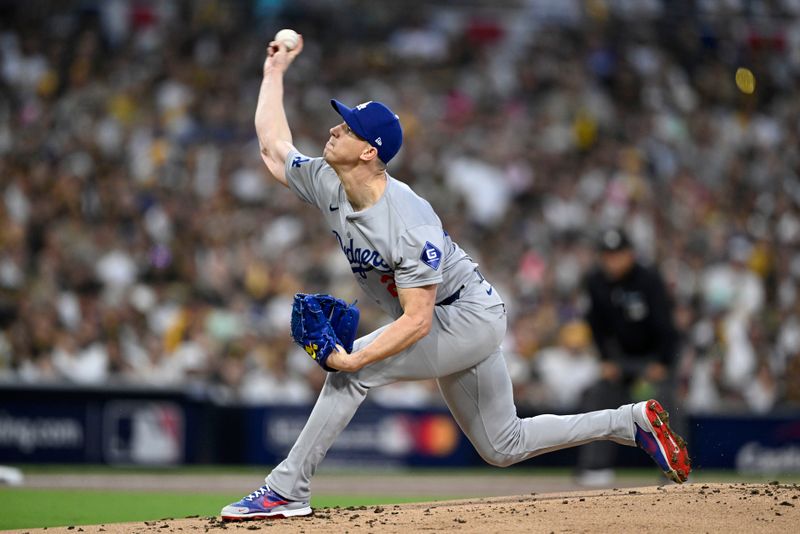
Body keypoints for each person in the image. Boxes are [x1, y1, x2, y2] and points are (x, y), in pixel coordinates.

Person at [220, 36, 691, 521]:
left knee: (350, 376)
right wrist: (273, 73)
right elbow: (274, 149)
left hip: (465, 314)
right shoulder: (328, 181)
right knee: (503, 444)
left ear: (369, 153)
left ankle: (286, 490)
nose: (336, 127)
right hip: (454, 315)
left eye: (350, 127)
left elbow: (419, 320)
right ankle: (630, 422)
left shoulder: (407, 221)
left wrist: (353, 356)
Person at [577, 228, 680, 486]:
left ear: (630, 254)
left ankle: (675, 468)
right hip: (620, 358)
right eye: (607, 255)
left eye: (617, 254)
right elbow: (596, 326)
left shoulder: (649, 280)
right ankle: (595, 467)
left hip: (653, 356)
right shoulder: (595, 281)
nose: (611, 260)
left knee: (665, 399)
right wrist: (605, 360)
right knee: (598, 394)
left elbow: (668, 327)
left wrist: (663, 363)